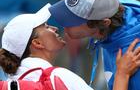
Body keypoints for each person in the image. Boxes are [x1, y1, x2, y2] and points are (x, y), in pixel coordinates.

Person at [48, 0, 140, 90]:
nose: (63, 24)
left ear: (104, 23)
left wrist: (122, 75)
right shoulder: (116, 9)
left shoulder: (134, 57)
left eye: (72, 21)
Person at [0, 38, 140, 90]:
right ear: (37, 43)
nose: (54, 28)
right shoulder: (57, 77)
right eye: (46, 26)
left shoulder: (14, 82)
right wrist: (122, 74)